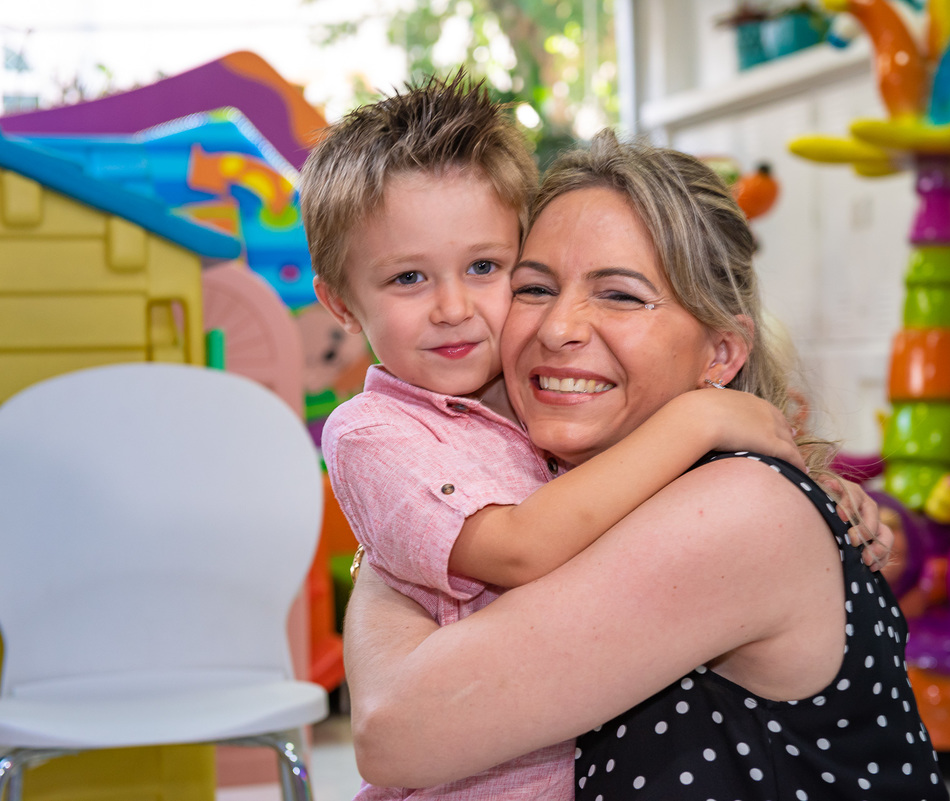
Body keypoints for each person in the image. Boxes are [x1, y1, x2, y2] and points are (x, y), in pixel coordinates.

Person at [299, 74, 876, 801]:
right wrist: (398, 544)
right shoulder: (440, 428)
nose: (558, 328)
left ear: (722, 353)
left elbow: (394, 729)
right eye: (537, 287)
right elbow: (510, 544)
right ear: (342, 301)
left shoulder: (739, 504)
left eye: (487, 269)